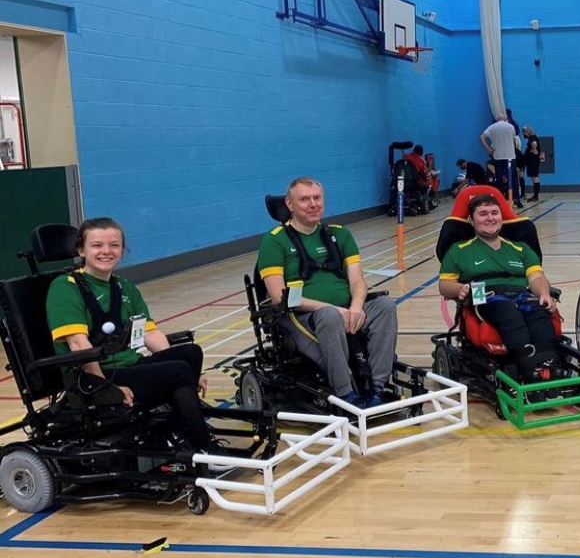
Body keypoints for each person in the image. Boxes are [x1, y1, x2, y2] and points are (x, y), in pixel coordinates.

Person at [46, 217, 220, 454]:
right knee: (179, 371)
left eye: (114, 245)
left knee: (190, 353)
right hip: (93, 377)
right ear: (81, 249)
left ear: (123, 249)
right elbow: (78, 343)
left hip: (129, 366)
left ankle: (173, 433)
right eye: (97, 245)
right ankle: (203, 446)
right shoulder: (65, 287)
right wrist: (104, 387)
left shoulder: (125, 287)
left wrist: (190, 375)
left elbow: (150, 333)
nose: (106, 251)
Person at [257, 177, 399, 408]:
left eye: (317, 198)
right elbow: (280, 297)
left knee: (385, 305)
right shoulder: (274, 241)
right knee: (329, 317)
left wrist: (355, 307)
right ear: (290, 204)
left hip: (345, 309)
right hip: (302, 316)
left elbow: (358, 281)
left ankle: (378, 387)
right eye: (304, 199)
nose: (313, 204)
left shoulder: (340, 235)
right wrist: (331, 309)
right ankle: (346, 394)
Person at [438, 193, 559, 378]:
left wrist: (543, 293)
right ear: (471, 220)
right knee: (507, 311)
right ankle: (526, 364)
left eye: (495, 212)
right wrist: (458, 289)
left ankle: (550, 363)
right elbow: (444, 285)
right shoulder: (459, 250)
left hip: (520, 292)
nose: (490, 218)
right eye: (483, 213)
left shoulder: (520, 248)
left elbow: (536, 277)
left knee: (538, 310)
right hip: (482, 292)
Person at [479, 114, 523, 209]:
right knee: (513, 179)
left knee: (498, 180)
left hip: (498, 157)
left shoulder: (492, 127)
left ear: (496, 119)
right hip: (510, 156)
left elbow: (481, 137)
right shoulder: (510, 126)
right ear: (506, 118)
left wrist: (488, 149)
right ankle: (516, 199)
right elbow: (513, 140)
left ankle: (499, 201)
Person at [522, 125, 542, 201]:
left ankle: (536, 196)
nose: (524, 135)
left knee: (535, 178)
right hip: (531, 162)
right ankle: (535, 195)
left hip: (533, 162)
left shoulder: (532, 138)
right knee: (534, 178)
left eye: (524, 133)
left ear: (527, 132)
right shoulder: (532, 137)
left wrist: (534, 149)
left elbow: (534, 144)